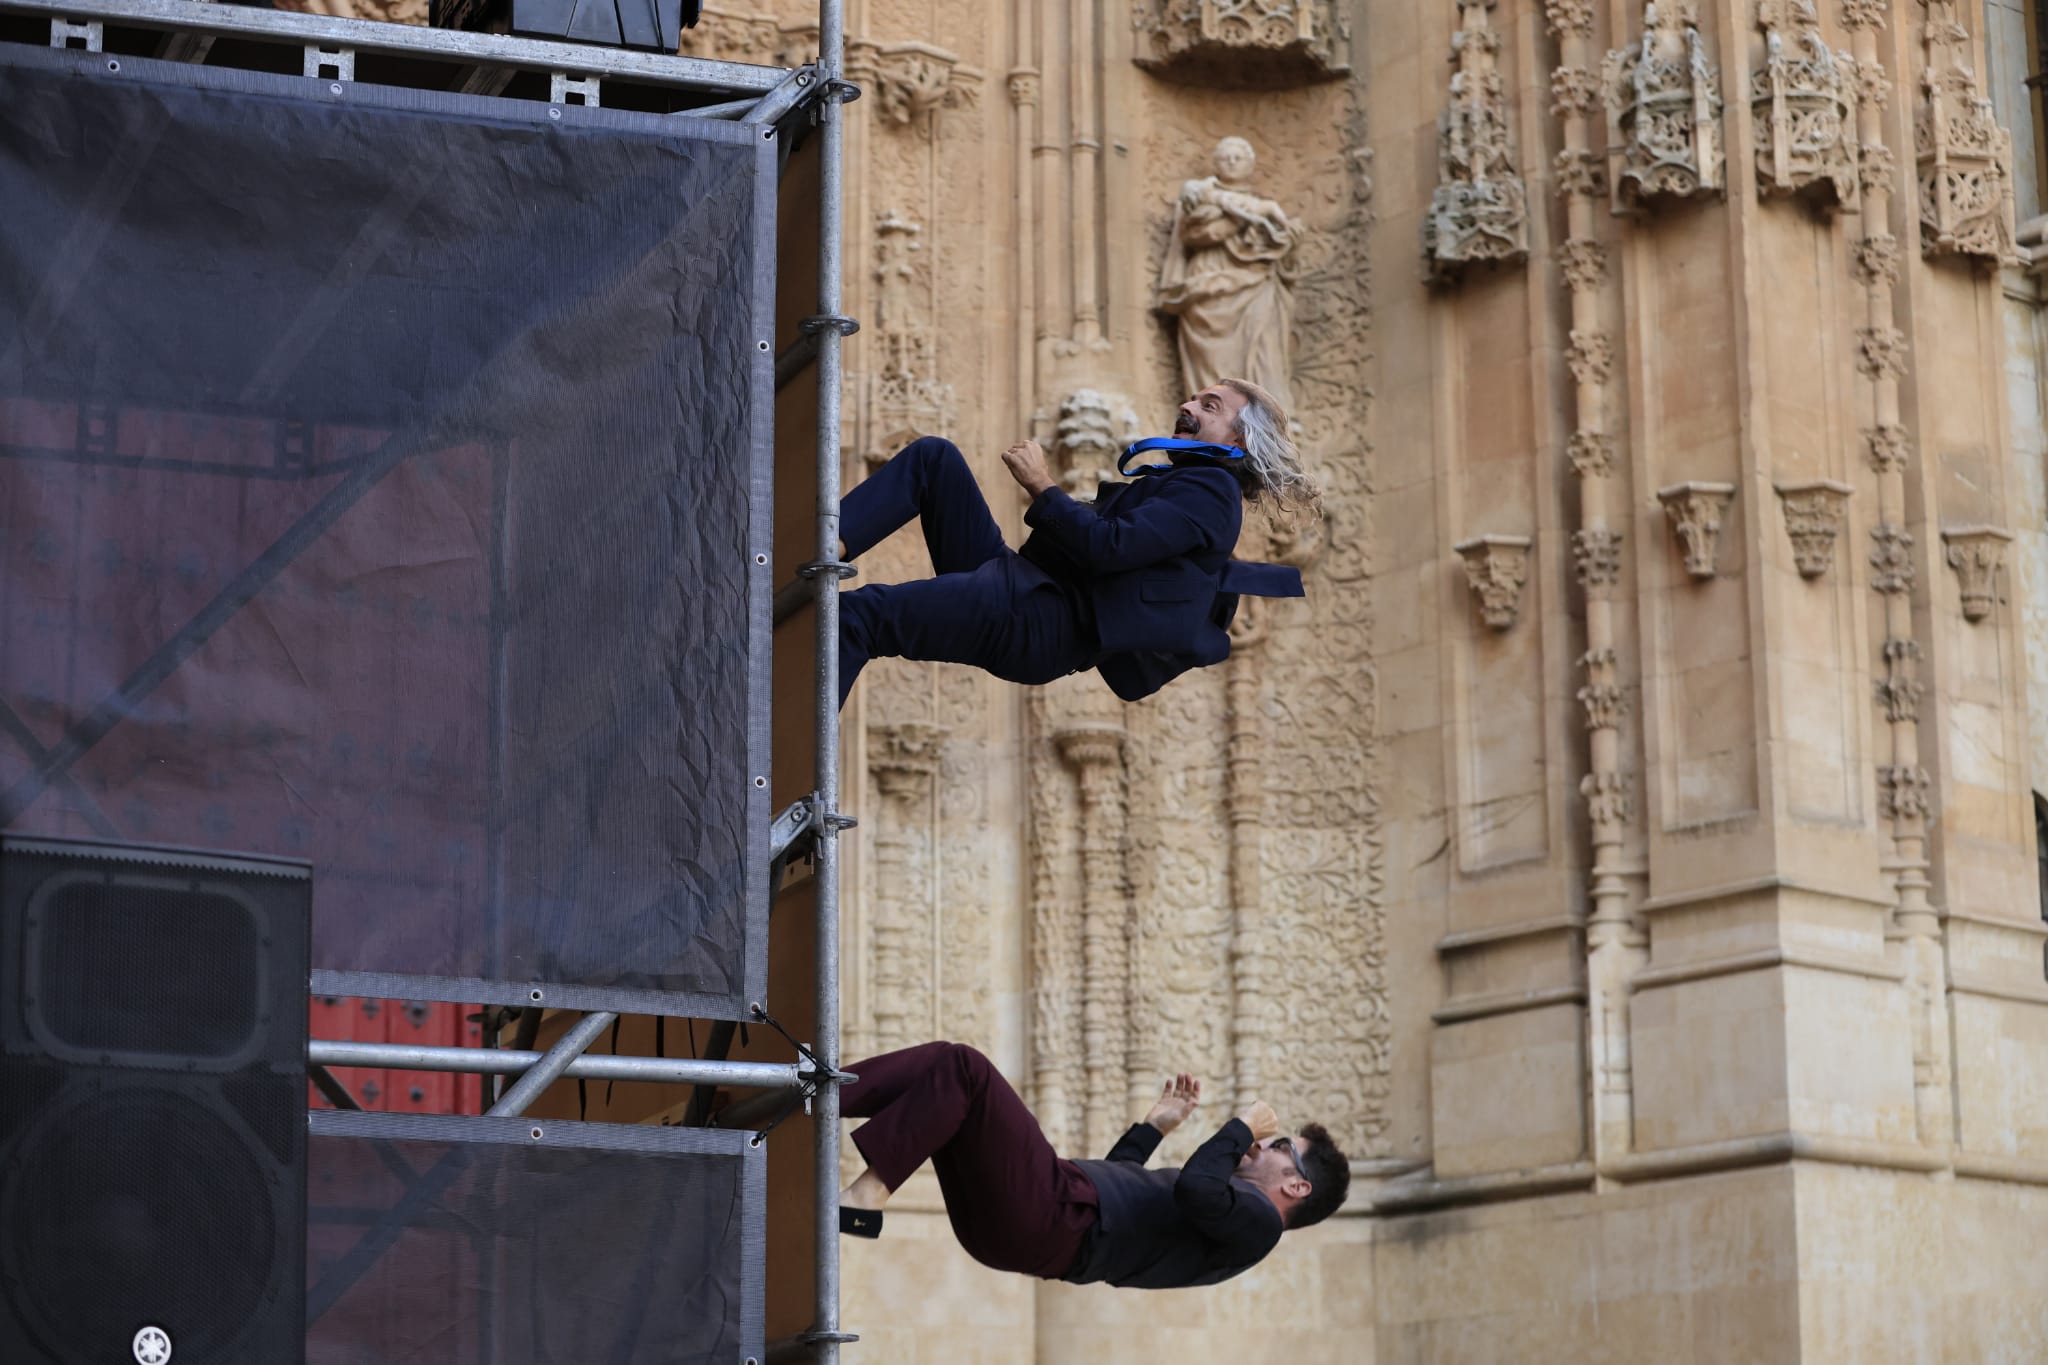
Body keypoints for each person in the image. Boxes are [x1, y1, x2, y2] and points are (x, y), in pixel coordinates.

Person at [835, 378, 1319, 707]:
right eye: (1193, 399)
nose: (1188, 407)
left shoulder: (1211, 491)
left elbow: (1108, 548)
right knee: (934, 460)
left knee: (856, 617)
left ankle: (778, 774)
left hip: (1040, 615)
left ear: (1240, 441)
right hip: (1020, 584)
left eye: (1209, 406)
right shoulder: (1192, 484)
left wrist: (1042, 485)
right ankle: (829, 544)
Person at [836, 1040, 1351, 1291]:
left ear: (1297, 1187)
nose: (1262, 1147)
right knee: (947, 1074)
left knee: (966, 1069)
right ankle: (819, 1091)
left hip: (1054, 1219)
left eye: (1280, 1146)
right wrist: (1154, 1127)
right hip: (1050, 1217)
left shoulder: (1259, 1225)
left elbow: (1197, 1187)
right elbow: (1117, 1188)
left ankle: (863, 1186)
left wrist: (1241, 1125)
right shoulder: (1232, 1218)